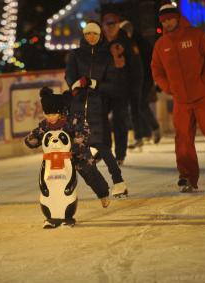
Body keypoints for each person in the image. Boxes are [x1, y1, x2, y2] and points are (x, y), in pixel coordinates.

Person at [151, 3, 205, 192]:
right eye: (164, 21)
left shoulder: (196, 35)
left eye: (170, 19)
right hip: (181, 100)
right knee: (183, 140)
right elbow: (157, 70)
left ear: (177, 18)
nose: (168, 23)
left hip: (204, 96)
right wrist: (169, 88)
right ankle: (187, 177)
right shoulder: (160, 45)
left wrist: (204, 79)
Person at [25, 87, 110, 228]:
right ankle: (55, 211)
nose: (50, 117)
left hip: (78, 155)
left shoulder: (73, 120)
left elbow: (84, 132)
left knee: (90, 173)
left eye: (53, 114)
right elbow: (35, 136)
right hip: (57, 160)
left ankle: (103, 193)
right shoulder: (45, 125)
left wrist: (77, 141)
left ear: (60, 112)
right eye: (47, 114)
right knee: (54, 183)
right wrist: (31, 139)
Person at [65, 21, 128, 197]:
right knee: (75, 152)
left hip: (98, 108)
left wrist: (95, 84)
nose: (90, 37)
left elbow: (114, 85)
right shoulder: (75, 55)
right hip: (77, 109)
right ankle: (70, 186)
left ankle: (118, 182)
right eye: (87, 34)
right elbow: (69, 75)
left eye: (94, 34)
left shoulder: (107, 57)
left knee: (103, 147)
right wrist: (75, 83)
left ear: (99, 36)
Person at [99, 8, 143, 166]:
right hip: (103, 89)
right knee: (100, 122)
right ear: (103, 26)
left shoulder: (127, 43)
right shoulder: (99, 43)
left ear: (118, 25)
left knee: (119, 122)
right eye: (107, 24)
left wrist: (135, 89)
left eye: (113, 24)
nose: (110, 27)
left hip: (121, 89)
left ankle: (120, 154)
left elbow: (136, 68)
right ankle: (104, 150)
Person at [120, 20, 161, 148]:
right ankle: (147, 132)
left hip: (144, 78)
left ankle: (149, 132)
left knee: (139, 105)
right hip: (138, 79)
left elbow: (150, 61)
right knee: (139, 106)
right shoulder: (131, 42)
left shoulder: (139, 43)